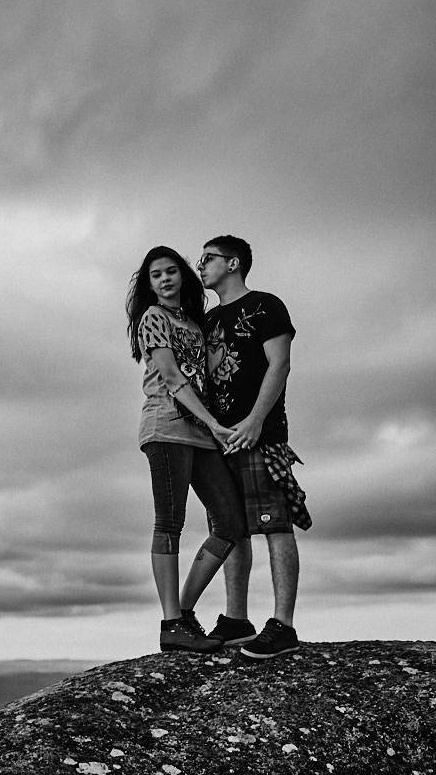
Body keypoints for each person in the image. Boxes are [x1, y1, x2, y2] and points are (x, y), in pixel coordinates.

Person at [126, 246, 247, 653]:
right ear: (149, 284)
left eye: (170, 271)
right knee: (170, 523)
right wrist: (215, 424)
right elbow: (175, 379)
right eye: (155, 275)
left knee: (231, 522)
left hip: (201, 435)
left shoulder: (193, 323)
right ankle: (171, 624)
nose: (163, 279)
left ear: (182, 276)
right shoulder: (153, 318)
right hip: (166, 429)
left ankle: (182, 612)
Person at [197, 235, 310, 660]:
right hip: (219, 439)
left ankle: (283, 626)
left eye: (207, 258)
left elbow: (279, 364)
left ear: (233, 262)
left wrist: (256, 420)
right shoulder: (207, 321)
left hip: (261, 435)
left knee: (275, 523)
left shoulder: (266, 305)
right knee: (230, 526)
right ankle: (236, 620)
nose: (200, 265)